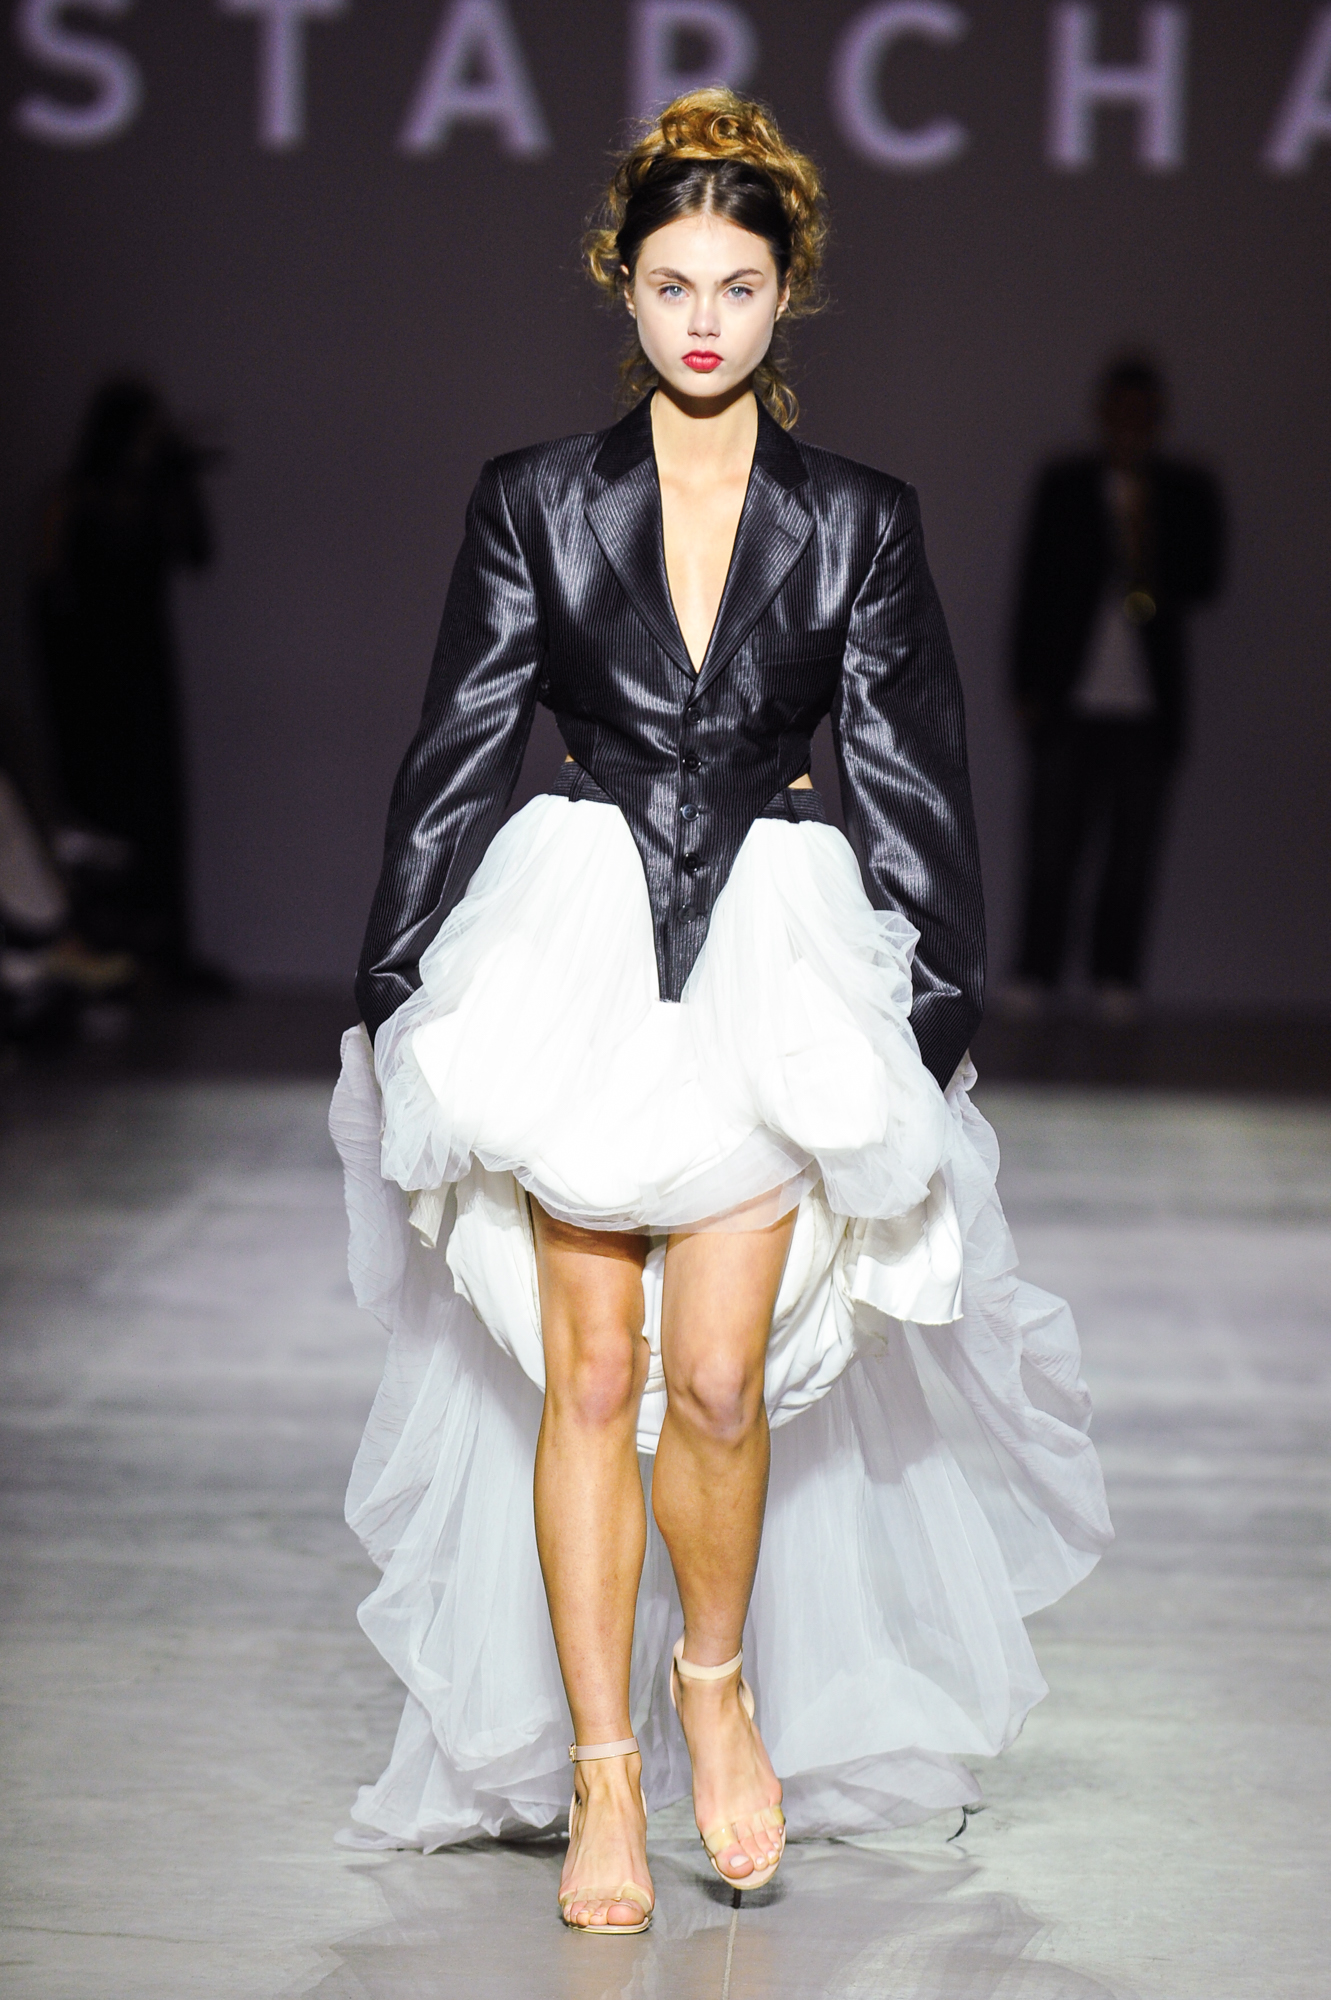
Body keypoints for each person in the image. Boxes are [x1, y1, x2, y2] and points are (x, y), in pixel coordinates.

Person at [331, 89, 1112, 1934]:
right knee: (591, 1376)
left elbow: (913, 781)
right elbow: (457, 748)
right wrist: (397, 990)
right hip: (575, 950)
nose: (703, 320)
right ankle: (607, 1776)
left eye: (738, 287)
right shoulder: (534, 497)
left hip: (771, 957)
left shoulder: (856, 522)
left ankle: (715, 1686)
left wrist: (926, 1028)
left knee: (714, 1378)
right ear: (623, 283)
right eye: (672, 284)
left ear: (786, 292)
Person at [1007, 357, 1226, 1020]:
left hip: (1147, 706)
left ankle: (1115, 976)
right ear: (1103, 414)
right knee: (1051, 846)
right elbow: (1033, 588)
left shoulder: (1184, 491)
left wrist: (1146, 534)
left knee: (1132, 852)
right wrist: (1025, 684)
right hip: (1068, 697)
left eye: (1143, 414)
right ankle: (1036, 972)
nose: (1131, 426)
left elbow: (1205, 580)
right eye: (1121, 412)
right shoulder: (1067, 486)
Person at [31, 378, 218, 980]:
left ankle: (159, 955)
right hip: (88, 677)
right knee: (100, 812)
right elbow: (47, 591)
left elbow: (198, 552)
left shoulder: (155, 498)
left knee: (157, 810)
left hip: (144, 670)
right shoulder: (74, 499)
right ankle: (105, 953)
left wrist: (178, 480)